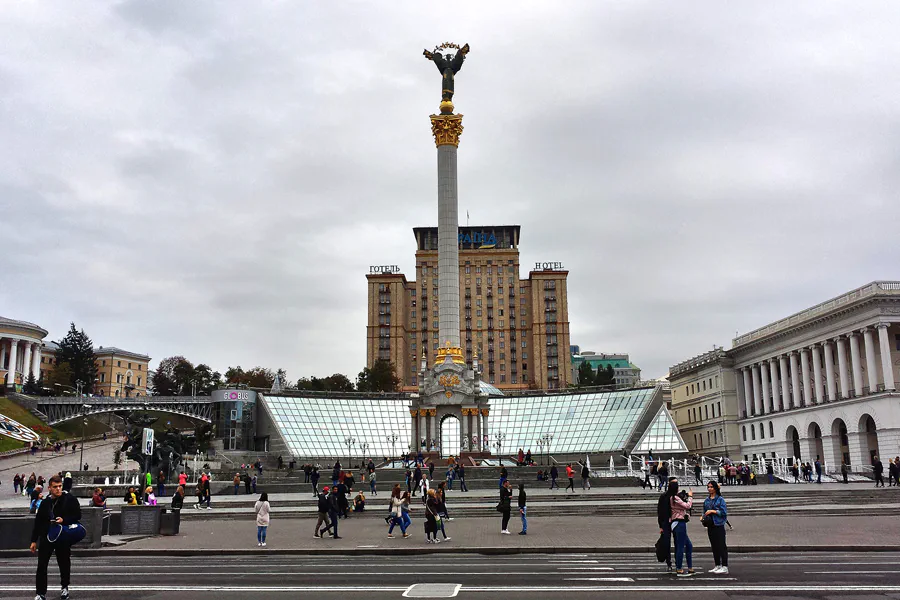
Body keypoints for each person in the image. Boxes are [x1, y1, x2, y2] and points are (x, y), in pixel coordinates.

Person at [30, 474, 81, 600]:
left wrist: (64, 520)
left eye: (60, 486)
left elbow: (78, 515)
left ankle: (65, 587)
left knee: (64, 563)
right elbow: (38, 521)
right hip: (47, 536)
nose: (58, 489)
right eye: (55, 487)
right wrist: (33, 540)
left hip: (62, 536)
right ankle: (40, 593)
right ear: (49, 488)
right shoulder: (45, 503)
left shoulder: (69, 499)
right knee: (41, 565)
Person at [669, 480, 695, 577]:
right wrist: (690, 497)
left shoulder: (673, 497)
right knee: (680, 546)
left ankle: (689, 567)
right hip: (679, 524)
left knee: (688, 545)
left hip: (679, 523)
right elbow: (687, 506)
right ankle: (679, 568)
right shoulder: (674, 498)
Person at [703, 480, 729, 574]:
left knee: (721, 545)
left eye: (711, 487)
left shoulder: (720, 499)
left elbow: (724, 513)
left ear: (715, 488)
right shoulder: (707, 500)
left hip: (719, 524)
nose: (709, 489)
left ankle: (725, 566)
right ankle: (717, 565)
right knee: (714, 546)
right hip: (710, 525)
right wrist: (703, 517)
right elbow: (704, 510)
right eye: (708, 487)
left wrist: (713, 511)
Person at [657, 477, 675, 573]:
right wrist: (660, 525)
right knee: (666, 543)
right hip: (666, 523)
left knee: (680, 542)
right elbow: (660, 511)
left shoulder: (677, 496)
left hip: (676, 522)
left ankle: (678, 562)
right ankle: (669, 562)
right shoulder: (664, 496)